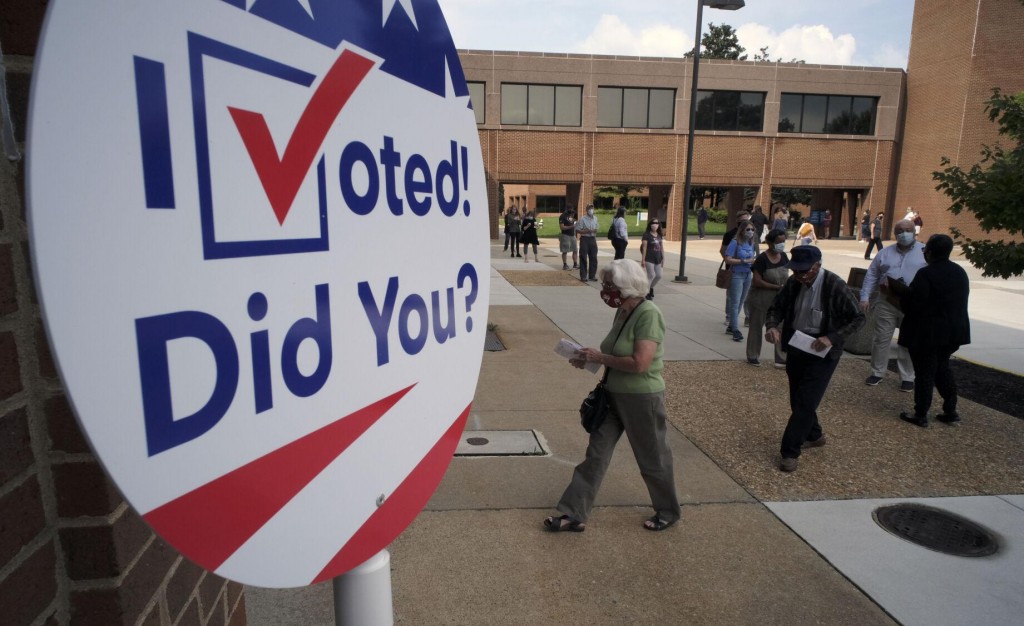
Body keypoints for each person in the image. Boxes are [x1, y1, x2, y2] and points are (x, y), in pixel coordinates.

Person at [544, 259, 680, 532]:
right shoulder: (623, 311)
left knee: (652, 458)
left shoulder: (648, 313)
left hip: (642, 398)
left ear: (627, 286)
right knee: (596, 455)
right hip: (613, 397)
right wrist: (589, 358)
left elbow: (640, 363)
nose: (605, 290)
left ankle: (667, 510)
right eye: (605, 283)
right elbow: (615, 353)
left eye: (610, 284)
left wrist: (601, 357)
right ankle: (573, 513)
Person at [765, 246, 865, 472]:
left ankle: (790, 452)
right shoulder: (794, 283)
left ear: (817, 266)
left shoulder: (834, 285)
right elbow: (776, 308)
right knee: (798, 398)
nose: (799, 276)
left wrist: (832, 337)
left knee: (806, 401)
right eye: (795, 271)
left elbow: (859, 318)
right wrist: (772, 326)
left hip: (824, 351)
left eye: (804, 271)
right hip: (798, 344)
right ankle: (815, 434)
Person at [897, 234, 971, 428]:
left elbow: (915, 305)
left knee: (924, 373)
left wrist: (899, 294)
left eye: (925, 250)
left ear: (929, 252)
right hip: (953, 332)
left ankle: (920, 413)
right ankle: (950, 410)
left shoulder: (926, 274)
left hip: (927, 333)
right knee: (942, 368)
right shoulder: (959, 272)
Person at [860, 219, 927, 391]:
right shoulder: (884, 253)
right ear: (895, 233)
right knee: (881, 338)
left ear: (914, 231)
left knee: (907, 341)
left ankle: (907, 377)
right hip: (887, 300)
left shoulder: (924, 252)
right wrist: (865, 296)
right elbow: (872, 275)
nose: (904, 233)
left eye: (907, 230)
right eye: (900, 230)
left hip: (912, 303)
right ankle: (877, 372)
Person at [746, 228, 789, 367]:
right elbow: (757, 281)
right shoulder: (762, 259)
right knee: (756, 327)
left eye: (783, 241)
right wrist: (776, 287)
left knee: (781, 326)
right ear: (770, 242)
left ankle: (781, 357)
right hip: (761, 298)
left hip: (780, 299)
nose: (781, 245)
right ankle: (753, 354)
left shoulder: (784, 257)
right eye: (779, 242)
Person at [724, 219, 757, 342]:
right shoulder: (735, 242)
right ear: (742, 230)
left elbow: (752, 258)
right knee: (735, 302)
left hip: (748, 274)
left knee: (742, 301)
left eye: (752, 230)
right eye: (748, 229)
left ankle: (731, 325)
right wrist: (744, 261)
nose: (750, 232)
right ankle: (735, 329)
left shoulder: (751, 243)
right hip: (736, 274)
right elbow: (728, 259)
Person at [640, 219, 665, 300]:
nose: (655, 225)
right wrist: (643, 260)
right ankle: (646, 293)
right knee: (651, 275)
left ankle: (651, 287)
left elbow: (661, 247)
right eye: (653, 223)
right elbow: (644, 248)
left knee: (659, 275)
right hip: (649, 258)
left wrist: (663, 257)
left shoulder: (659, 235)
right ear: (650, 225)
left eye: (657, 223)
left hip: (658, 257)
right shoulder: (646, 235)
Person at [575, 204, 599, 282]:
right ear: (586, 210)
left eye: (592, 208)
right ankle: (583, 276)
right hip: (585, 239)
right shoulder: (582, 219)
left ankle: (592, 275)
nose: (591, 210)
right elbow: (577, 230)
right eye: (589, 208)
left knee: (593, 258)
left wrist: (595, 230)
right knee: (583, 258)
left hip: (592, 239)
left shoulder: (595, 218)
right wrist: (584, 231)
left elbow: (597, 227)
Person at [559, 206, 578, 271]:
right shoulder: (562, 216)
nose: (572, 211)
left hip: (573, 235)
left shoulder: (572, 215)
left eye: (572, 209)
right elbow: (562, 227)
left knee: (575, 250)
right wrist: (571, 226)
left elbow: (574, 222)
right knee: (565, 250)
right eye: (570, 209)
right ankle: (565, 264)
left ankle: (575, 264)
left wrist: (575, 225)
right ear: (567, 209)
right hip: (565, 235)